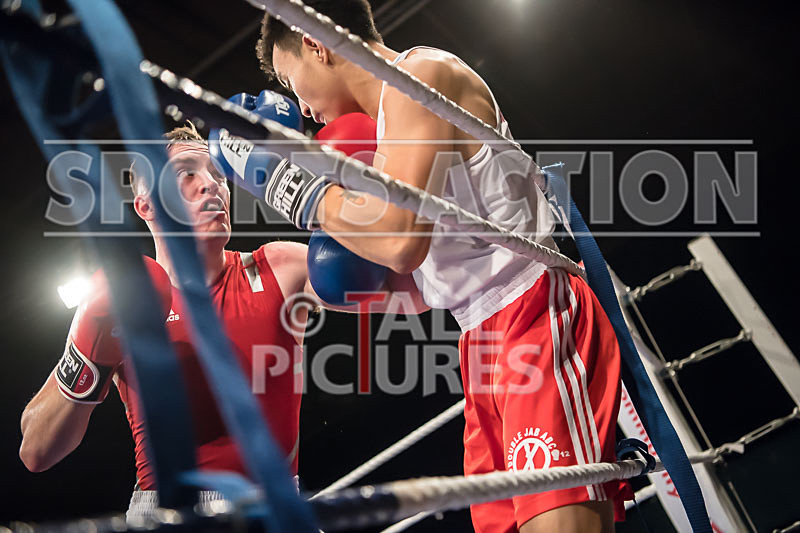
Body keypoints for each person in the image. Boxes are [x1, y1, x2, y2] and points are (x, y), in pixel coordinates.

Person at [254, 2, 631, 531]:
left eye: (295, 84)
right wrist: (339, 286)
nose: (305, 108)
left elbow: (401, 242)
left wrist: (287, 186)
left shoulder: (419, 76)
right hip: (479, 339)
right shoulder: (388, 137)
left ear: (316, 43)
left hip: (534, 313)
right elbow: (419, 287)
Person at [19, 115, 420, 521]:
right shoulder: (128, 298)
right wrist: (86, 353)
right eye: (186, 174)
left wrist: (375, 198)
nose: (211, 183)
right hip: (169, 513)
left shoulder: (279, 268)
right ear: (146, 205)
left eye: (216, 172)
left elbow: (414, 295)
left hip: (276, 505)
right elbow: (36, 451)